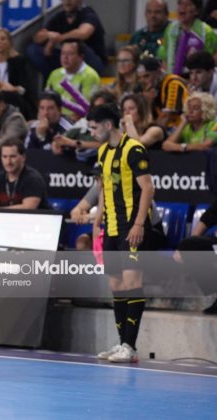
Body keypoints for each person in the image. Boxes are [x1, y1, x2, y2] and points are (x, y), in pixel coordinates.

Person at [88, 104, 155, 363]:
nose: (92, 133)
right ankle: (121, 344)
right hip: (113, 227)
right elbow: (105, 189)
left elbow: (148, 188)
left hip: (132, 226)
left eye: (94, 128)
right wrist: (99, 220)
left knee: (132, 283)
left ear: (108, 125)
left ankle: (130, 346)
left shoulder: (134, 149)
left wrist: (139, 224)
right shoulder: (103, 151)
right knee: (116, 285)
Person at [27, 0, 106, 80]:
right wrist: (48, 35)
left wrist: (59, 38)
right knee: (33, 50)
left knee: (78, 47)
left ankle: (79, 79)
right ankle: (55, 79)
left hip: (91, 61)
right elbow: (37, 38)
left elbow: (83, 33)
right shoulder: (60, 17)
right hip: (68, 60)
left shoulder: (88, 14)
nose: (68, 1)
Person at [0, 138, 49, 210]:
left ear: (23, 157)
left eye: (12, 156)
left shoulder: (33, 179)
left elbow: (28, 208)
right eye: (4, 157)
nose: (8, 162)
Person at [0, 27, 35, 119]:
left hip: (16, 96)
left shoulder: (19, 61)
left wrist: (12, 88)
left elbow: (25, 89)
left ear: (9, 43)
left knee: (9, 96)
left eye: (3, 39)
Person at [45, 39, 101, 121]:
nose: (65, 57)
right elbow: (46, 99)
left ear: (81, 56)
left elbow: (88, 108)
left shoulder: (90, 76)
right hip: (54, 118)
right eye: (63, 53)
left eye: (70, 54)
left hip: (78, 121)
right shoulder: (54, 74)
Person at [158, 0, 217, 75]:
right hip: (173, 78)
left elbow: (213, 58)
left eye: (188, 4)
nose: (183, 7)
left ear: (197, 11)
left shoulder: (206, 31)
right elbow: (164, 57)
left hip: (196, 78)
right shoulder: (170, 29)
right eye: (180, 3)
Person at [137, 56, 188, 129]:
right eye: (139, 78)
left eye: (146, 76)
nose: (143, 81)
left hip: (178, 128)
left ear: (158, 72)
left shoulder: (173, 83)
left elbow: (165, 119)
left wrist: (148, 103)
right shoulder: (152, 88)